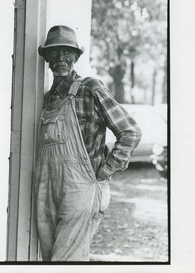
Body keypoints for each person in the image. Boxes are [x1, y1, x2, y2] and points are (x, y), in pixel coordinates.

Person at [34, 25, 141, 261]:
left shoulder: (90, 88)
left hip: (80, 188)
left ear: (75, 57)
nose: (61, 58)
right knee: (50, 257)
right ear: (47, 59)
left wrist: (104, 172)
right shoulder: (48, 97)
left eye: (67, 52)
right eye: (54, 53)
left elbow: (129, 131)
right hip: (48, 187)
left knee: (67, 259)